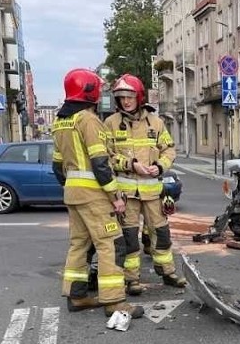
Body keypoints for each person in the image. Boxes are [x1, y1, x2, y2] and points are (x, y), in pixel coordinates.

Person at [51, 68, 143, 320]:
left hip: (73, 194)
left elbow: (57, 167)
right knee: (111, 244)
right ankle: (114, 302)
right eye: (98, 89)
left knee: (79, 245)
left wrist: (73, 188)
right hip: (94, 195)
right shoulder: (88, 120)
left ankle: (77, 295)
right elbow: (101, 163)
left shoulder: (61, 122)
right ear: (89, 91)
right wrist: (115, 196)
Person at [104, 74, 187, 294]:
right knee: (130, 238)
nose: (125, 101)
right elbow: (106, 156)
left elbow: (169, 149)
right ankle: (131, 280)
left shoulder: (156, 122)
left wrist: (160, 166)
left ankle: (168, 273)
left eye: (129, 97)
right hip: (127, 193)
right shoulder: (111, 123)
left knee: (161, 234)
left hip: (153, 193)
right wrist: (131, 165)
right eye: (121, 98)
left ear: (139, 97)